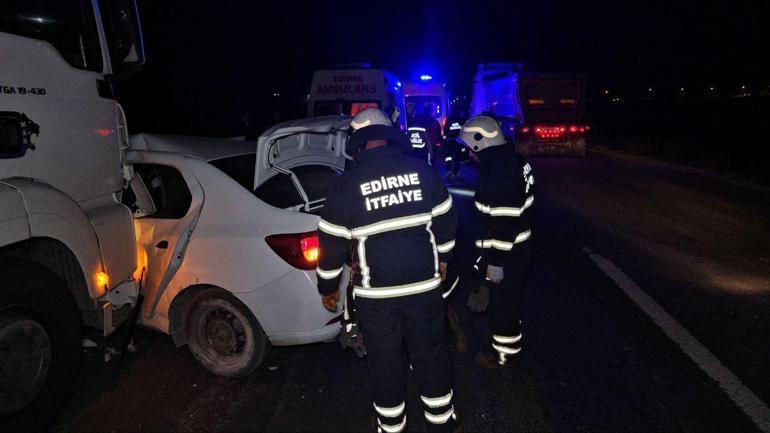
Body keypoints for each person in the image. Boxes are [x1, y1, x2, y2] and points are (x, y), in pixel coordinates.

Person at [316, 108, 460, 433]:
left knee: (385, 361)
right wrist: (444, 260)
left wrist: (327, 289)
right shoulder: (420, 170)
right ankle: (441, 424)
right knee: (431, 355)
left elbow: (330, 248)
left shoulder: (345, 185)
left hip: (377, 298)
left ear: (356, 142)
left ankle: (391, 427)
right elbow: (448, 220)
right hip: (424, 289)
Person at [458, 115, 534, 369]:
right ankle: (507, 343)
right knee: (507, 302)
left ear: (481, 143)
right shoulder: (508, 161)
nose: (469, 154)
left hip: (508, 254)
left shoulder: (501, 172)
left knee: (504, 305)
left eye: (470, 148)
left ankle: (503, 354)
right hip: (516, 250)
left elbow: (503, 223)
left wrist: (496, 263)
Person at [443, 105, 468, 181]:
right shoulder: (461, 119)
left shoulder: (448, 119)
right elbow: (463, 130)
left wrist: (446, 137)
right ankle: (456, 172)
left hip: (449, 140)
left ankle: (448, 170)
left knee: (448, 157)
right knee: (457, 157)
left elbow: (445, 129)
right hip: (458, 140)